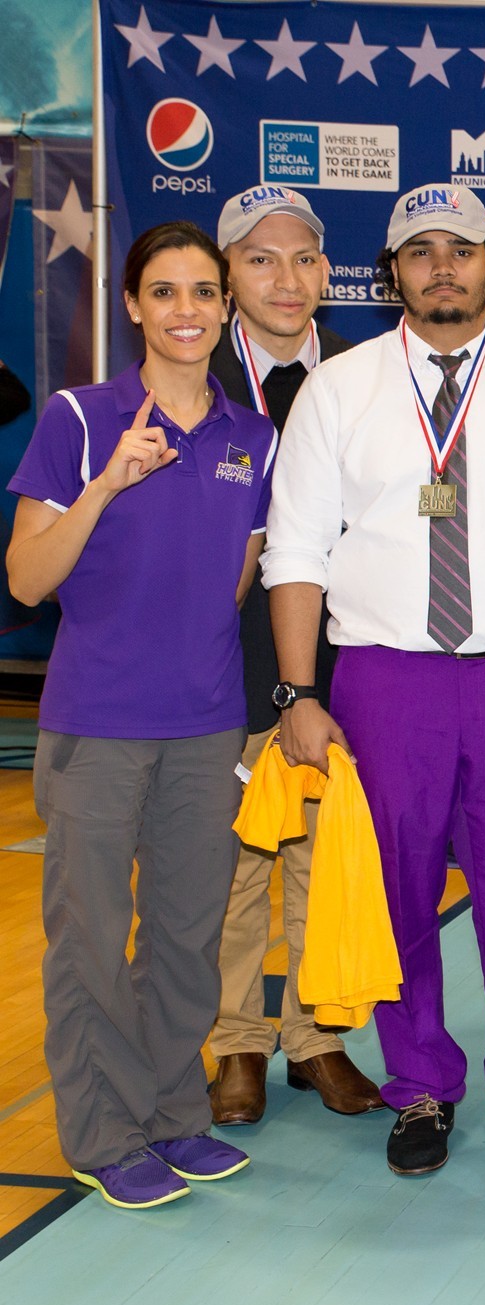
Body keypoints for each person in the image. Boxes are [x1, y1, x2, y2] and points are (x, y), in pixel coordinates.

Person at [262, 185, 485, 1177]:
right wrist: (298, 694)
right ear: (392, 274)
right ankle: (418, 1081)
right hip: (385, 682)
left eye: (461, 249)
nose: (443, 267)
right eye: (420, 252)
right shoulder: (338, 390)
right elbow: (294, 552)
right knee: (396, 891)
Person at [6, 222, 269, 1208]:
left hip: (205, 727)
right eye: (164, 292)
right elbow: (26, 579)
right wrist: (108, 483)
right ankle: (103, 1133)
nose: (185, 310)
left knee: (185, 937)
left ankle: (171, 1115)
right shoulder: (80, 418)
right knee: (90, 942)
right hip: (97, 726)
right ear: (132, 305)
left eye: (203, 291)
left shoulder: (253, 438)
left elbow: (233, 582)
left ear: (226, 305)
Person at [204, 184, 383, 1126]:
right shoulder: (189, 374)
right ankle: (236, 1039)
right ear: (228, 274)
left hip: (341, 657)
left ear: (327, 272)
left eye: (304, 258)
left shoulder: (365, 375)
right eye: (261, 259)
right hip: (219, 659)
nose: (286, 278)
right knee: (234, 862)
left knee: (324, 853)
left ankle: (318, 1037)